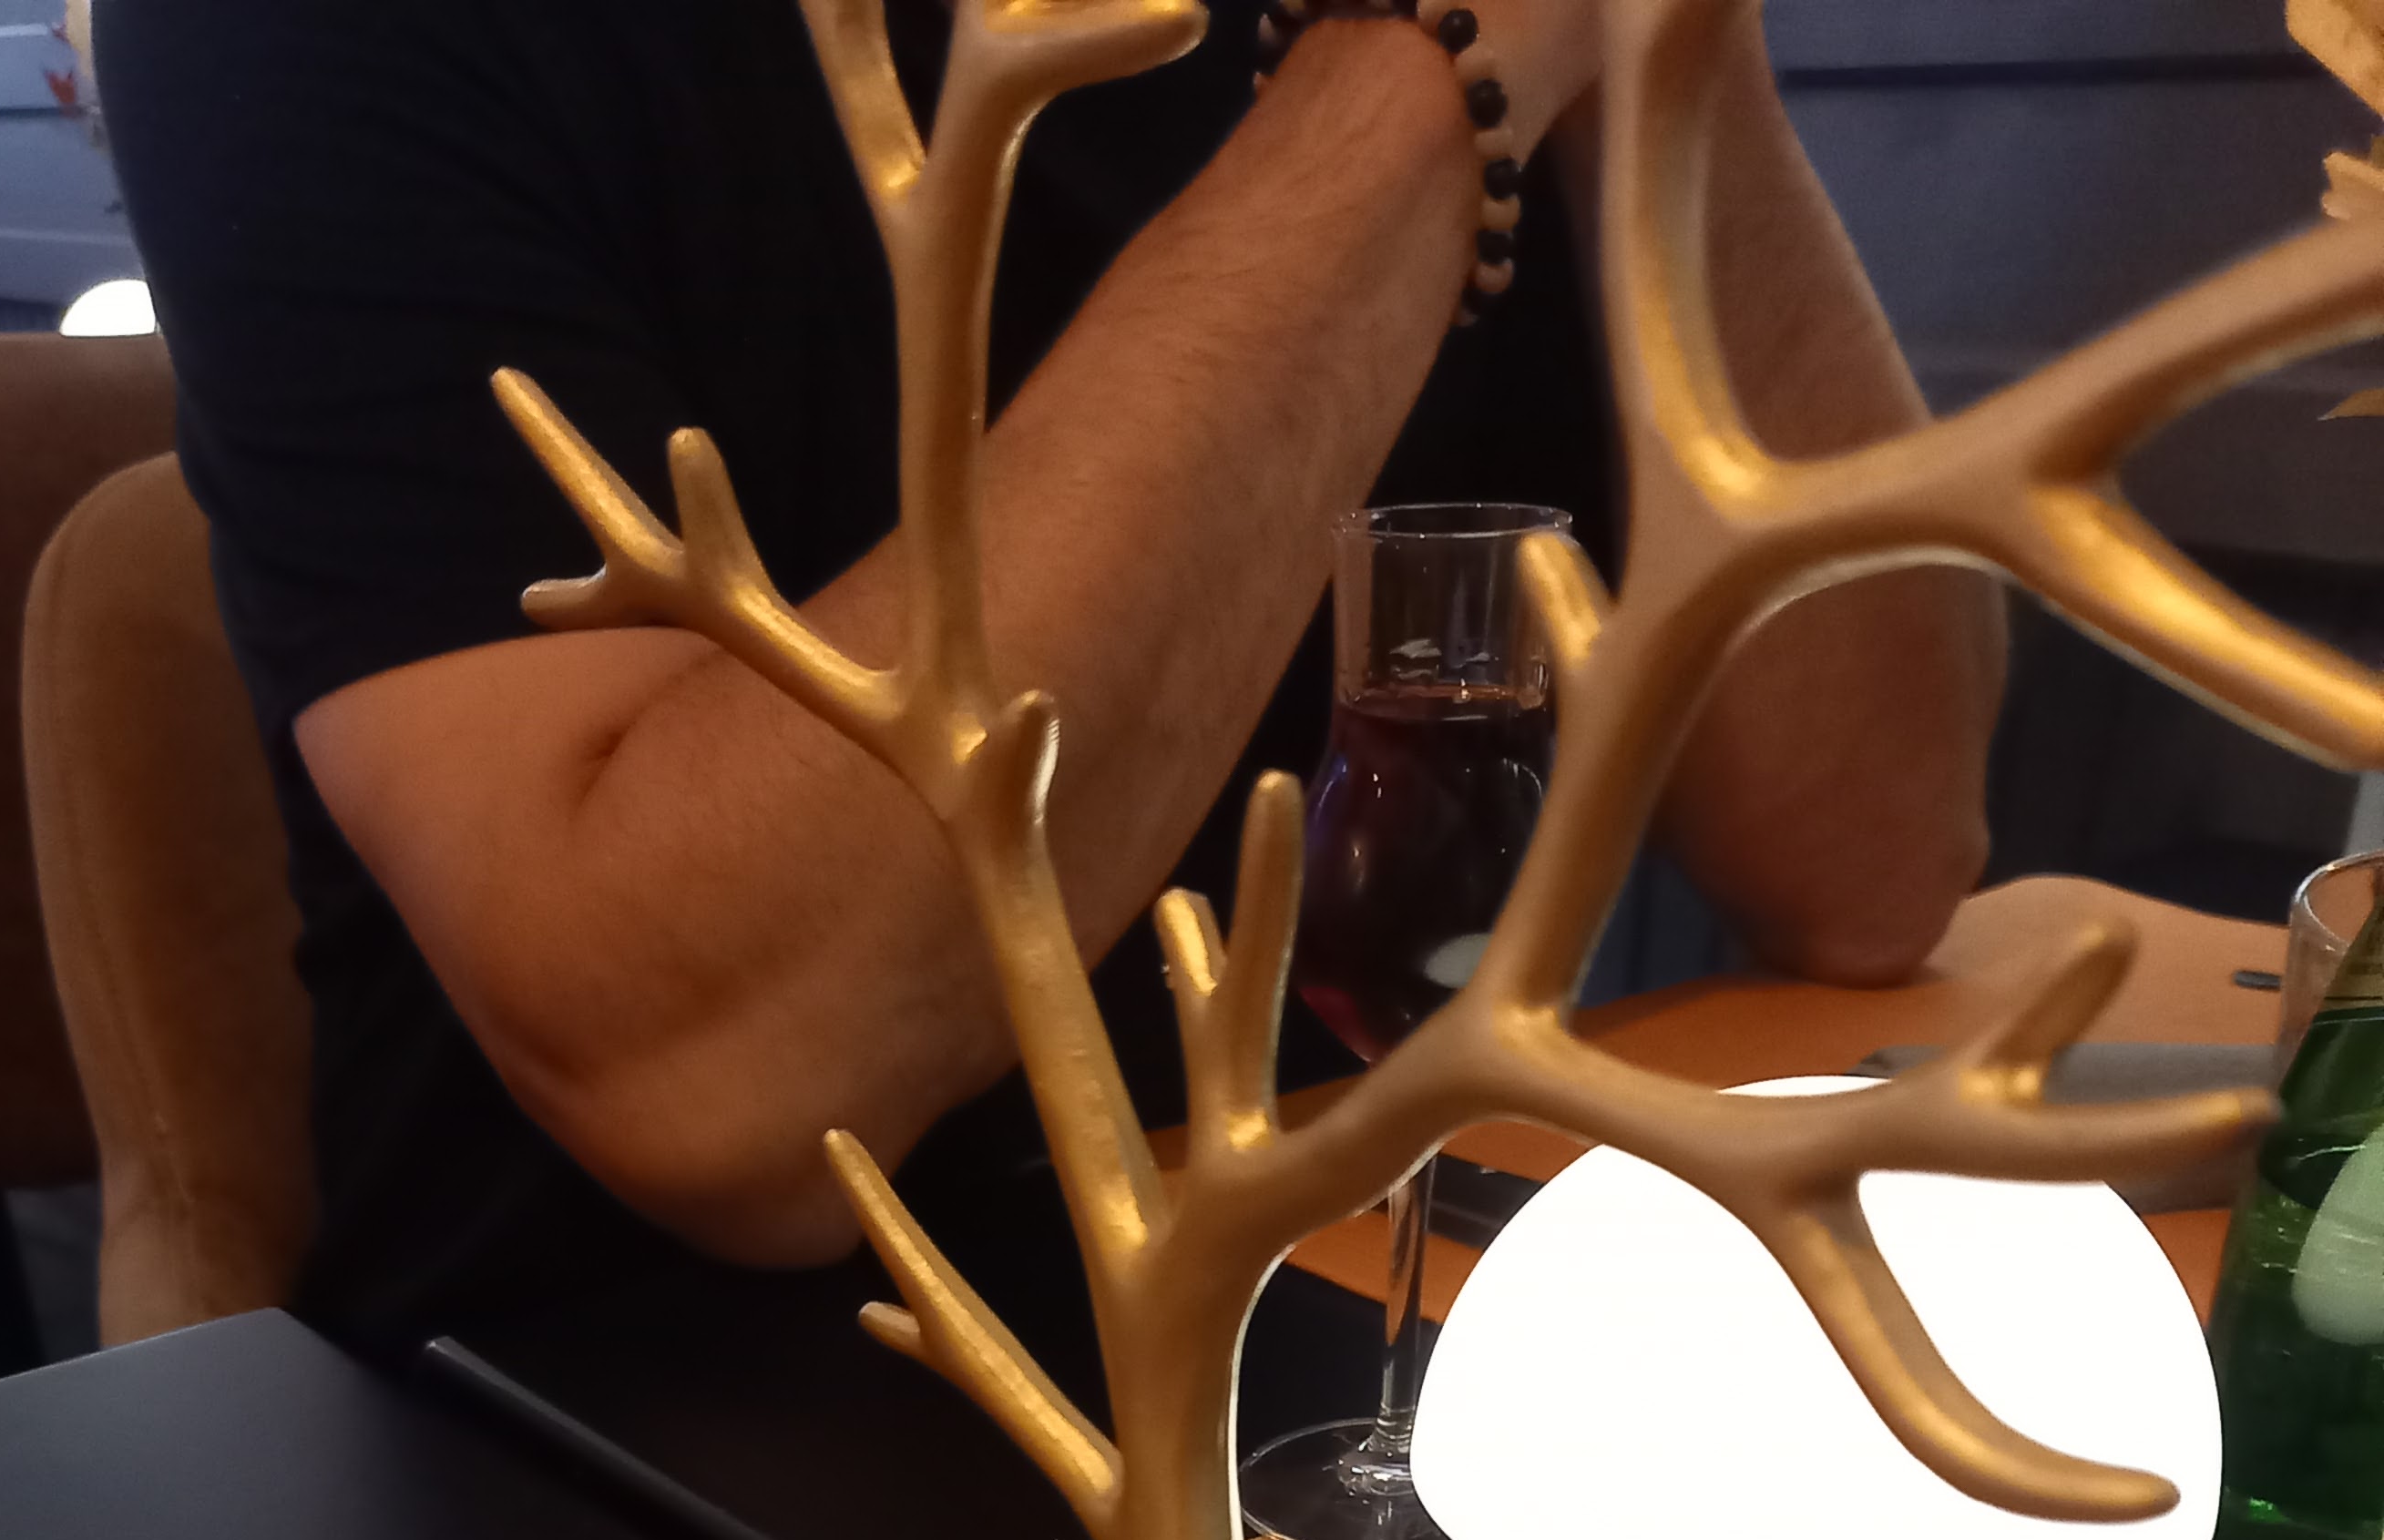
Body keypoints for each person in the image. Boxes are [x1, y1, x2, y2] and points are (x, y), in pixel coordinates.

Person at [100, 0, 2000, 1360]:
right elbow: (724, 1099)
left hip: (1350, 1349)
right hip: (635, 1452)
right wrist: (1433, 77)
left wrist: (1667, 44)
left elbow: (1874, 853)